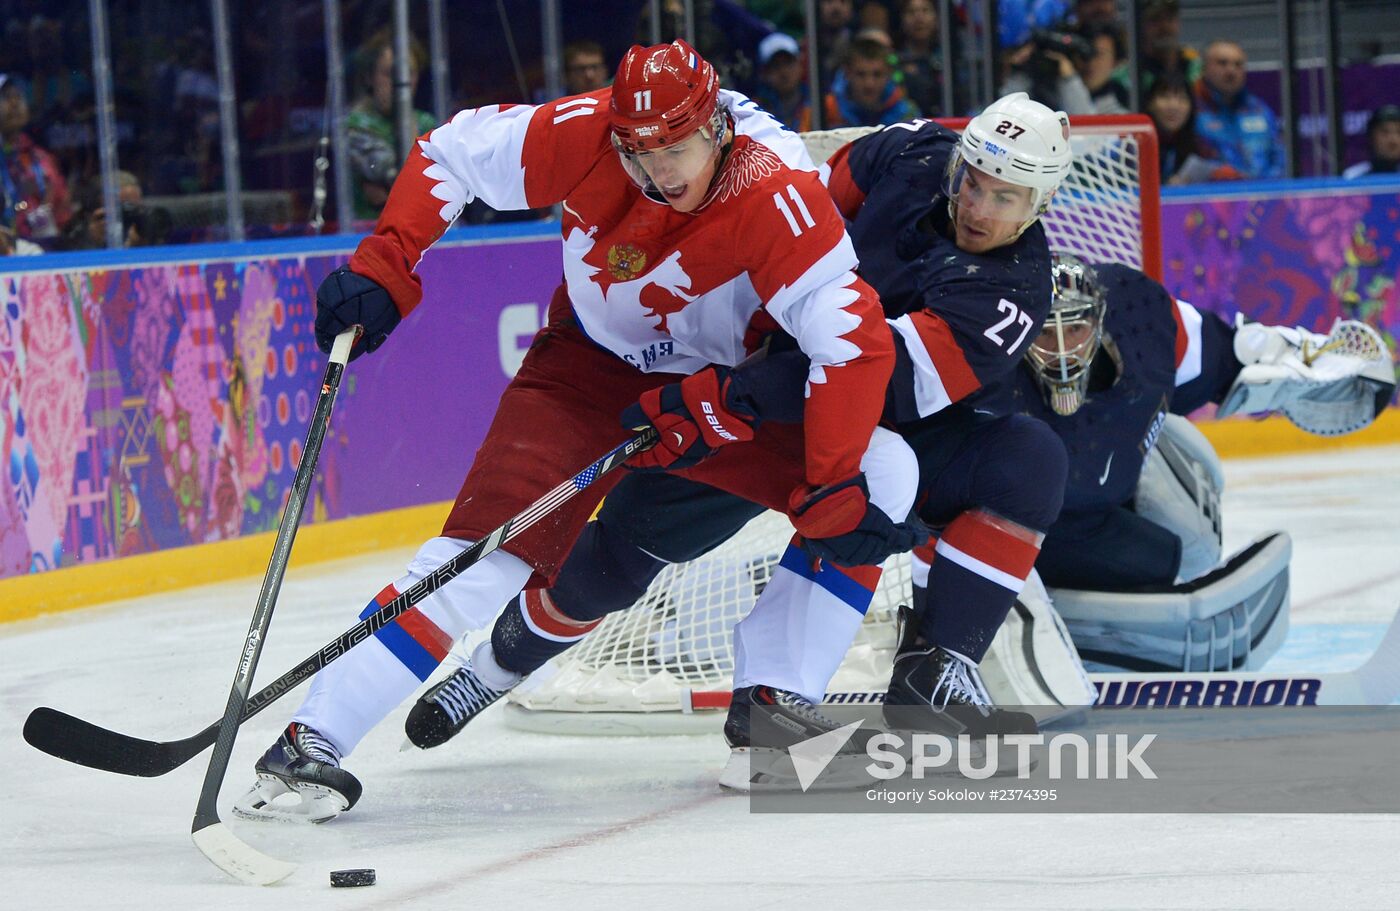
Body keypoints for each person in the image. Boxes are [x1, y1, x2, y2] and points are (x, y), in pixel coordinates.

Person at [234, 39, 924, 822]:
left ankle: (774, 711)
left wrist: (830, 478)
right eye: (639, 151)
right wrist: (388, 262)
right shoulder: (584, 129)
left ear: (718, 127)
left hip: (720, 392)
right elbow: (449, 152)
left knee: (883, 472)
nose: (660, 170)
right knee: (480, 560)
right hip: (586, 369)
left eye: (678, 147)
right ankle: (311, 741)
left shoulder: (779, 188)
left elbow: (851, 340)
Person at [401, 94, 1077, 776]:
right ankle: (494, 665)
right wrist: (728, 364)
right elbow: (802, 206)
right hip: (746, 377)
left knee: (1007, 463)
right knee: (616, 560)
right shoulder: (908, 152)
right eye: (973, 180)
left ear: (1041, 202)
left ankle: (835, 688)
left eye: (1006, 197)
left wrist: (740, 395)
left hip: (847, 415)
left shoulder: (1008, 296)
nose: (978, 206)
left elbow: (873, 373)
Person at [344, 28, 439, 222]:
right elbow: (405, 180)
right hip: (370, 231)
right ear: (369, 77)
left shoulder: (426, 122)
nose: (400, 83)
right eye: (389, 74)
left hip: (424, 229)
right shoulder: (355, 125)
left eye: (409, 74)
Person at [1194, 40, 1284, 180]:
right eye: (1222, 63)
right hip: (1211, 198)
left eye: (1238, 65)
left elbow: (1279, 158)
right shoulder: (1191, 111)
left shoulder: (1259, 110)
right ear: (1204, 68)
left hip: (1264, 195)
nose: (1231, 71)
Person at [0, 73, 71, 248]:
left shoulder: (41, 158)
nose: (14, 104)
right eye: (5, 98)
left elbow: (63, 207)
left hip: (43, 251)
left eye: (19, 97)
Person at [1146, 72, 1238, 185]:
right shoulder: (1134, 147)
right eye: (1165, 97)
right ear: (1150, 103)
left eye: (1182, 98)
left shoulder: (1202, 144)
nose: (1174, 106)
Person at [821, 36, 921, 128]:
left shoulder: (907, 114)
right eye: (860, 74)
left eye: (877, 74)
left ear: (889, 74)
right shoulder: (826, 110)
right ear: (847, 73)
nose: (869, 84)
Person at [1138, 0, 1200, 98]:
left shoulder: (1197, 67)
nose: (1165, 27)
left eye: (1170, 19)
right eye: (1155, 20)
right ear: (1140, 25)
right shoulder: (1129, 76)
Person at [751, 31, 811, 131]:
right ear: (764, 73)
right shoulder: (755, 110)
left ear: (800, 64)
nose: (784, 72)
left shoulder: (820, 102)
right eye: (776, 66)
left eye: (788, 63)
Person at [1074, 21, 1129, 115]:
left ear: (1116, 62)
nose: (1090, 62)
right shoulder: (1053, 94)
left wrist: (1069, 81)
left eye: (1099, 54)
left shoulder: (1127, 102)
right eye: (1084, 53)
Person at [1342, 105, 1400, 179]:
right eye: (1385, 132)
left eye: (1399, 132)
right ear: (1372, 137)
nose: (1393, 140)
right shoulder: (1352, 177)